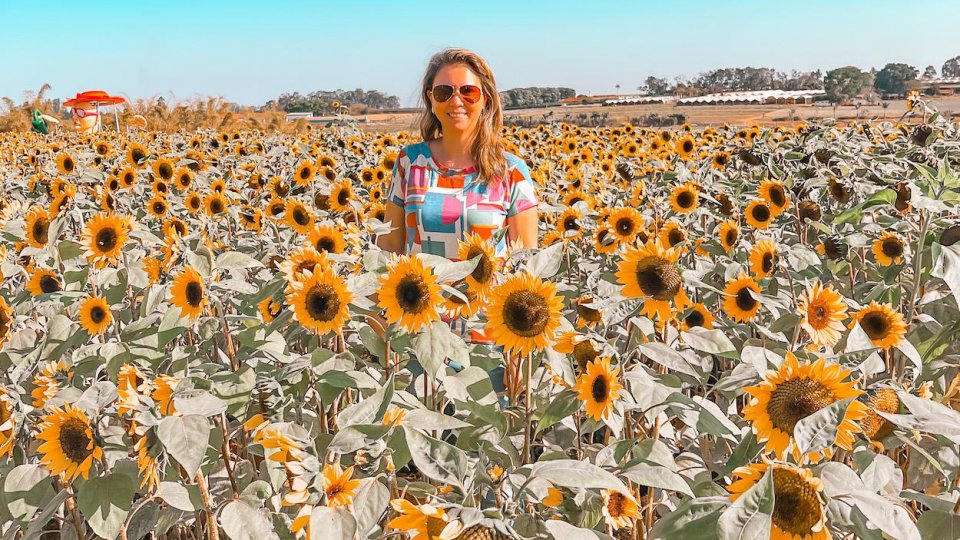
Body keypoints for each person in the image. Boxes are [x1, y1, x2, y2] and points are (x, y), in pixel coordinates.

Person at [375, 48, 540, 390]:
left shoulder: (512, 173)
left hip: (490, 339)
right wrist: (382, 333)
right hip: (421, 332)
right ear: (431, 100)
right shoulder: (410, 163)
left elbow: (528, 268)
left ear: (486, 99)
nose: (456, 101)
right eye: (444, 92)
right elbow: (389, 248)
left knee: (482, 438)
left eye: (468, 90)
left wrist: (522, 357)